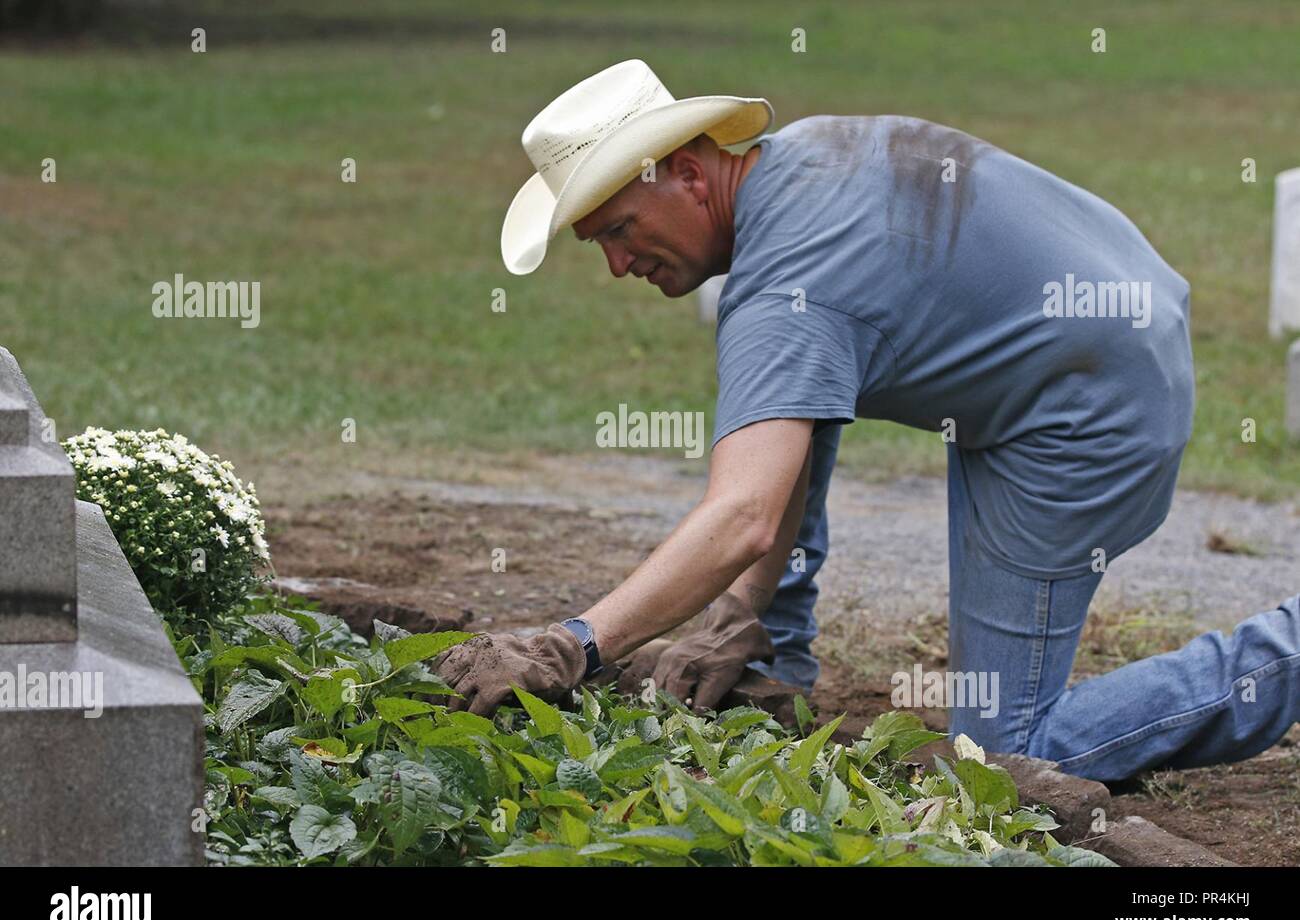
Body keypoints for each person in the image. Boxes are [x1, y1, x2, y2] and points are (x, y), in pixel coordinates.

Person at [435, 59, 1300, 782]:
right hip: (1103, 332)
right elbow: (794, 436)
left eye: (621, 229)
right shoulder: (798, 160)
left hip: (1088, 412)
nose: (619, 265)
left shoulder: (784, 291)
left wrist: (571, 646)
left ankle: (1287, 651)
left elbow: (745, 515)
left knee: (1001, 762)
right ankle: (767, 664)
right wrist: (751, 620)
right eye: (598, 245)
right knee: (788, 431)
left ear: (691, 175)